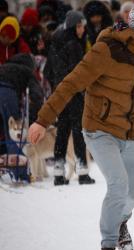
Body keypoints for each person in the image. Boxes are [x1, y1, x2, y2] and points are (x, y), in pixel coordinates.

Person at [28, 0, 134, 250]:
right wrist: (41, 119)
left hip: (132, 131)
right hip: (100, 129)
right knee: (118, 186)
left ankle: (120, 223)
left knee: (133, 192)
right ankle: (107, 248)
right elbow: (71, 82)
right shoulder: (106, 49)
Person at [44, 11, 96, 186]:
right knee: (78, 132)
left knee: (62, 132)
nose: (82, 29)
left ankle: (58, 173)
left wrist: (56, 88)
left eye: (83, 26)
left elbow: (48, 71)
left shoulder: (56, 42)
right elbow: (79, 73)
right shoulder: (74, 44)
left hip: (60, 93)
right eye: (79, 26)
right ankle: (82, 172)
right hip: (73, 93)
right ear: (74, 26)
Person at [0, 54, 44, 155]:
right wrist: (33, 119)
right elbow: (37, 96)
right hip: (7, 93)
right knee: (14, 133)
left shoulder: (4, 67)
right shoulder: (27, 71)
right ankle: (18, 167)